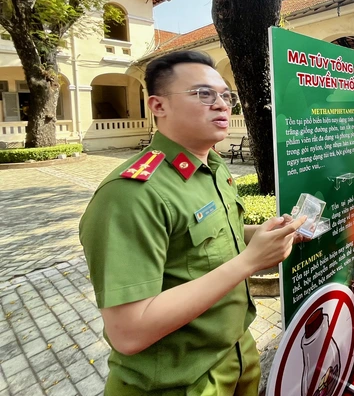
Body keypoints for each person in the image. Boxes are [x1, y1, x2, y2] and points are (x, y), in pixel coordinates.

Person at [79, 51, 307, 395]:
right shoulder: (131, 194)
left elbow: (204, 243)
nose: (221, 105)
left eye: (225, 95)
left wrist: (258, 235)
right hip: (178, 380)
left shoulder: (213, 168)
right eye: (203, 94)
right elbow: (129, 332)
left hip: (238, 355)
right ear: (158, 106)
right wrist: (250, 261)